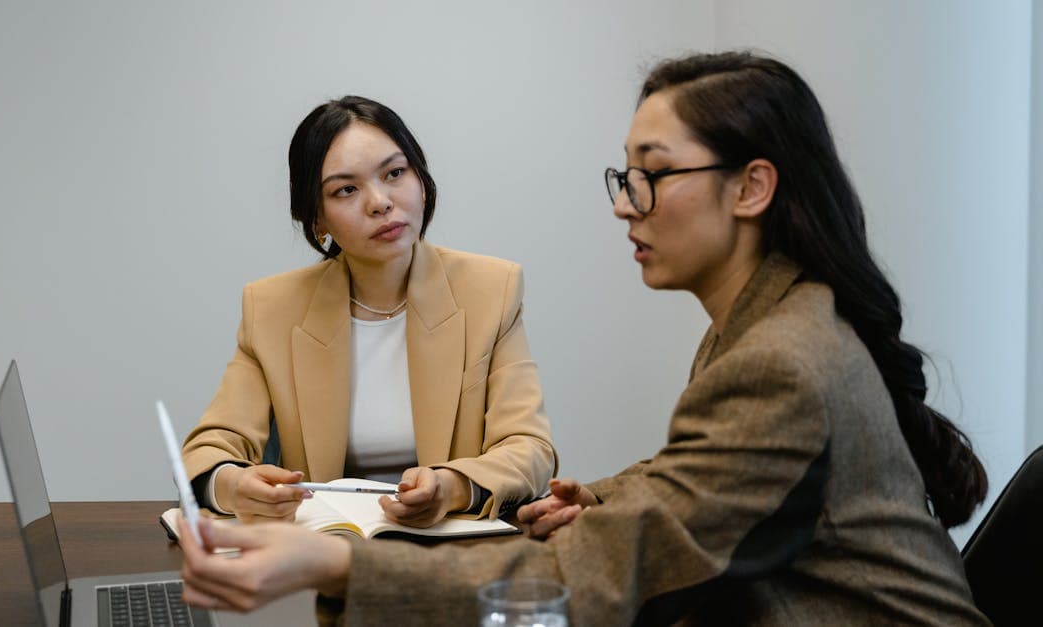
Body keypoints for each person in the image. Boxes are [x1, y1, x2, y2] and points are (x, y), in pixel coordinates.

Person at [175, 52, 991, 625]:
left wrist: (334, 563)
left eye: (651, 175)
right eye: (347, 190)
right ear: (317, 218)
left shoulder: (781, 356)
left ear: (752, 187)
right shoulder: (771, 323)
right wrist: (604, 497)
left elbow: (589, 562)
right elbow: (693, 487)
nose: (623, 203)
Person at [181, 96, 557, 529]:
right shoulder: (271, 309)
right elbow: (209, 448)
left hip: (450, 551)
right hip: (325, 556)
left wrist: (452, 486)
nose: (380, 202)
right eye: (346, 189)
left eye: (395, 173)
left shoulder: (492, 289)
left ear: (421, 178)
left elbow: (529, 448)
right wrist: (232, 485)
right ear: (317, 218)